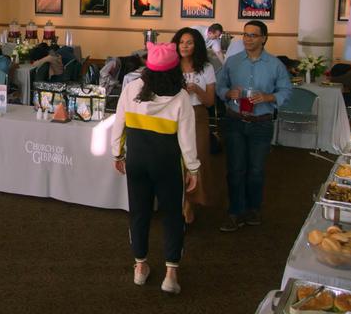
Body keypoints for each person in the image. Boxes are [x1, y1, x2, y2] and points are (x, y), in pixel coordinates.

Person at [110, 42, 199, 295]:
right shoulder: (181, 96)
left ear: (147, 68)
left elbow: (119, 125)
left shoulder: (131, 88)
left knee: (139, 213)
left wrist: (117, 153)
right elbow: (187, 139)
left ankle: (140, 267)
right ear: (174, 69)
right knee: (173, 215)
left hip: (137, 160)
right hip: (168, 164)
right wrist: (193, 169)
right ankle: (171, 274)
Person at [215, 20, 292, 232]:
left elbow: (286, 92)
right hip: (235, 121)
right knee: (235, 169)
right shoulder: (232, 62)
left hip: (261, 124)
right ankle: (235, 212)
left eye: (253, 35)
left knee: (256, 170)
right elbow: (220, 86)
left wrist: (268, 96)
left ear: (264, 38)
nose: (248, 39)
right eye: (246, 35)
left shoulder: (275, 65)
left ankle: (253, 209)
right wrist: (227, 93)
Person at [172, 28, 218, 225]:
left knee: (197, 157)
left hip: (197, 115)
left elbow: (209, 101)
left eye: (189, 42)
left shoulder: (206, 68)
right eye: (181, 42)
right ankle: (175, 200)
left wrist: (196, 89)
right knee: (174, 159)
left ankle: (189, 203)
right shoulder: (171, 66)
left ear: (196, 45)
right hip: (173, 116)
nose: (184, 46)